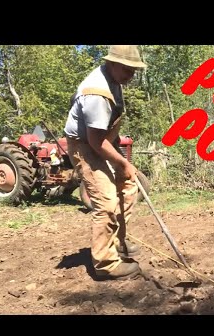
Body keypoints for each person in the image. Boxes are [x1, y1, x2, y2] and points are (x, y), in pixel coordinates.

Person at [64, 45, 147, 280]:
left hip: (101, 143)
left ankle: (118, 242)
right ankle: (105, 264)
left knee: (129, 187)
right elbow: (95, 141)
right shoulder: (97, 94)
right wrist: (123, 163)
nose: (131, 75)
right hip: (85, 147)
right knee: (107, 201)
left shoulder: (114, 82)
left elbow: (106, 132)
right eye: (127, 69)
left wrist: (123, 166)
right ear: (112, 63)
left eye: (134, 70)